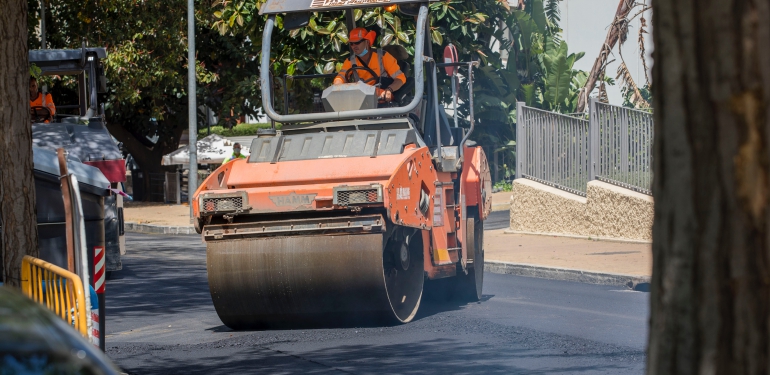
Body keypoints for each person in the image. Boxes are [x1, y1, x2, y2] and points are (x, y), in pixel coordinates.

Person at [333, 28, 407, 103]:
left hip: (381, 96)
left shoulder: (383, 56)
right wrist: (337, 85)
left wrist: (389, 90)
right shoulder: (350, 61)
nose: (354, 46)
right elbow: (341, 76)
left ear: (367, 42)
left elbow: (400, 78)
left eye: (357, 42)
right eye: (351, 43)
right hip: (360, 97)